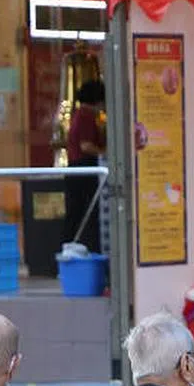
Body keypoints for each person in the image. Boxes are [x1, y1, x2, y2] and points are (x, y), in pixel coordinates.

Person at [63, 79, 105, 255]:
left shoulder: (79, 115)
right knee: (86, 212)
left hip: (76, 168)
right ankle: (82, 248)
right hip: (84, 168)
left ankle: (71, 247)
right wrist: (104, 153)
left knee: (75, 212)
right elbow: (86, 146)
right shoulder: (86, 116)